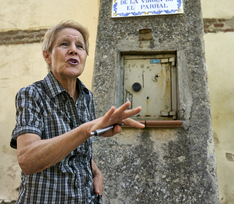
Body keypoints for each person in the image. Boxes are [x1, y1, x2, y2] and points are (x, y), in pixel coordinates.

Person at [10, 20, 144, 203]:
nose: (73, 50)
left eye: (79, 46)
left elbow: (77, 149)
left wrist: (95, 170)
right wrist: (86, 129)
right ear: (47, 56)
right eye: (64, 44)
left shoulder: (87, 96)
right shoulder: (32, 95)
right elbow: (28, 160)